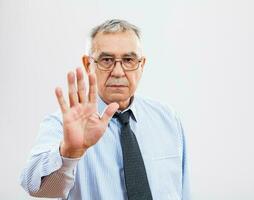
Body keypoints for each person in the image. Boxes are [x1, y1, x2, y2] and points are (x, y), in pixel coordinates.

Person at [20, 19, 190, 200]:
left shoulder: (168, 119)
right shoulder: (64, 125)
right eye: (106, 60)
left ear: (142, 65)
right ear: (88, 65)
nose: (118, 71)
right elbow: (35, 186)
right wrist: (69, 152)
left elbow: (183, 191)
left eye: (128, 60)